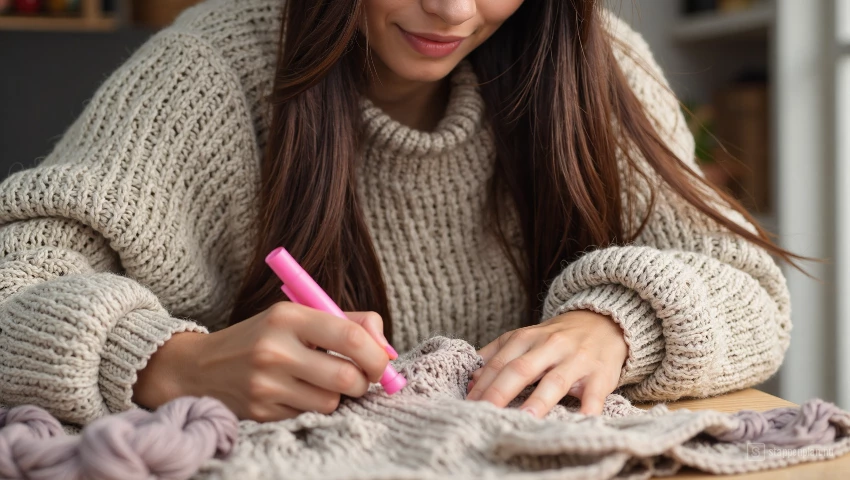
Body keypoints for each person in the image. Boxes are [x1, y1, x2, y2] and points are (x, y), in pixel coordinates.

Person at [0, 0, 793, 425]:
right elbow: (12, 286)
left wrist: (619, 327)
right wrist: (168, 365)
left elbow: (751, 292)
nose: (452, 9)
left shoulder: (596, 61)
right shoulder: (208, 65)